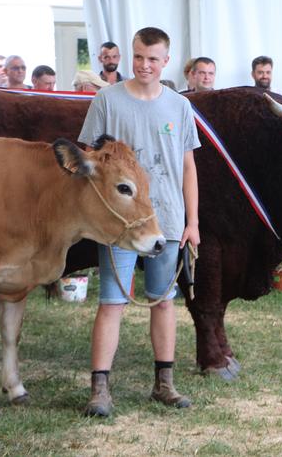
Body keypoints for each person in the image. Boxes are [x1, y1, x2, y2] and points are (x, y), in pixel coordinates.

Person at [77, 26, 201, 417]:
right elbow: (88, 161)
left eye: (153, 59)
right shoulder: (107, 100)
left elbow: (187, 166)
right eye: (139, 57)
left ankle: (164, 383)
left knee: (163, 302)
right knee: (112, 302)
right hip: (119, 223)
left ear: (166, 61)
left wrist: (192, 221)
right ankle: (100, 389)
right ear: (131, 56)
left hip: (166, 219)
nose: (145, 65)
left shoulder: (179, 106)